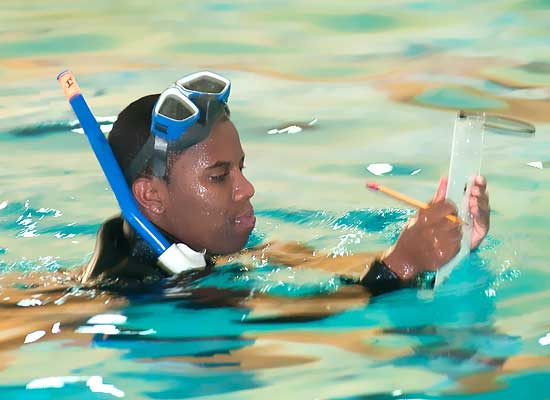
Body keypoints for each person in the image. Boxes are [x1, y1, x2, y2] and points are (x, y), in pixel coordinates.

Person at [79, 71, 490, 296]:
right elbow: (303, 326)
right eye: (219, 177)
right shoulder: (138, 294)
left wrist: (441, 245)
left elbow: (314, 262)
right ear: (152, 196)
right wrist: (402, 266)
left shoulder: (196, 249)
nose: (246, 190)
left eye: (241, 168)